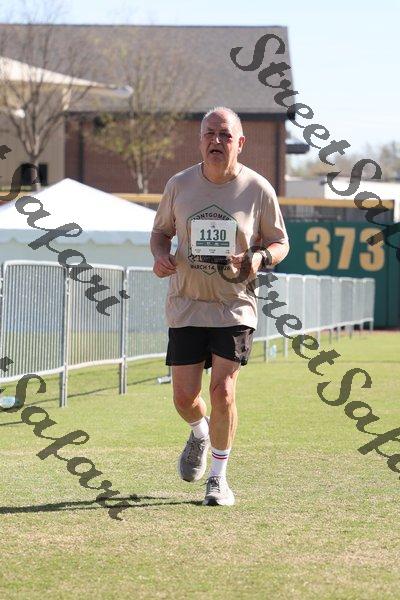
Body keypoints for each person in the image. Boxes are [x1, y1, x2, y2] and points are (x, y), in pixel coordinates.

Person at [150, 106, 289, 506]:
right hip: (187, 303)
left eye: (225, 135)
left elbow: (280, 242)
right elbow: (160, 232)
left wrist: (259, 258)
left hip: (234, 304)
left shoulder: (258, 189)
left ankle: (218, 479)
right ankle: (200, 433)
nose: (216, 141)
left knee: (223, 391)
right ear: (200, 141)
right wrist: (160, 256)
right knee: (184, 397)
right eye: (209, 133)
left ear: (239, 143)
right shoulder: (179, 185)